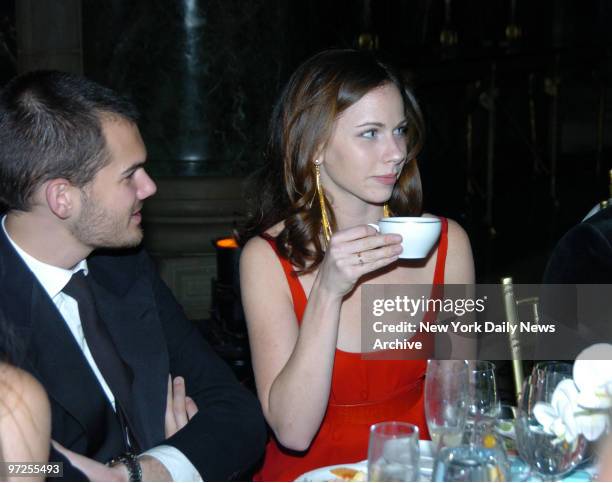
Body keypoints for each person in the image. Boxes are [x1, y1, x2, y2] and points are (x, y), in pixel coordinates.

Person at [0, 70, 266, 481]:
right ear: (61, 197)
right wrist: (182, 454)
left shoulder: (122, 265)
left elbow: (239, 415)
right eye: (130, 175)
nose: (150, 187)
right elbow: (23, 467)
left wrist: (144, 471)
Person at [239, 49, 475, 481]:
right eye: (371, 133)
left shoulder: (447, 244)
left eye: (400, 130)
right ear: (313, 146)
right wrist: (328, 291)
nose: (396, 152)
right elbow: (293, 431)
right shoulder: (267, 259)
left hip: (418, 470)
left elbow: (456, 402)